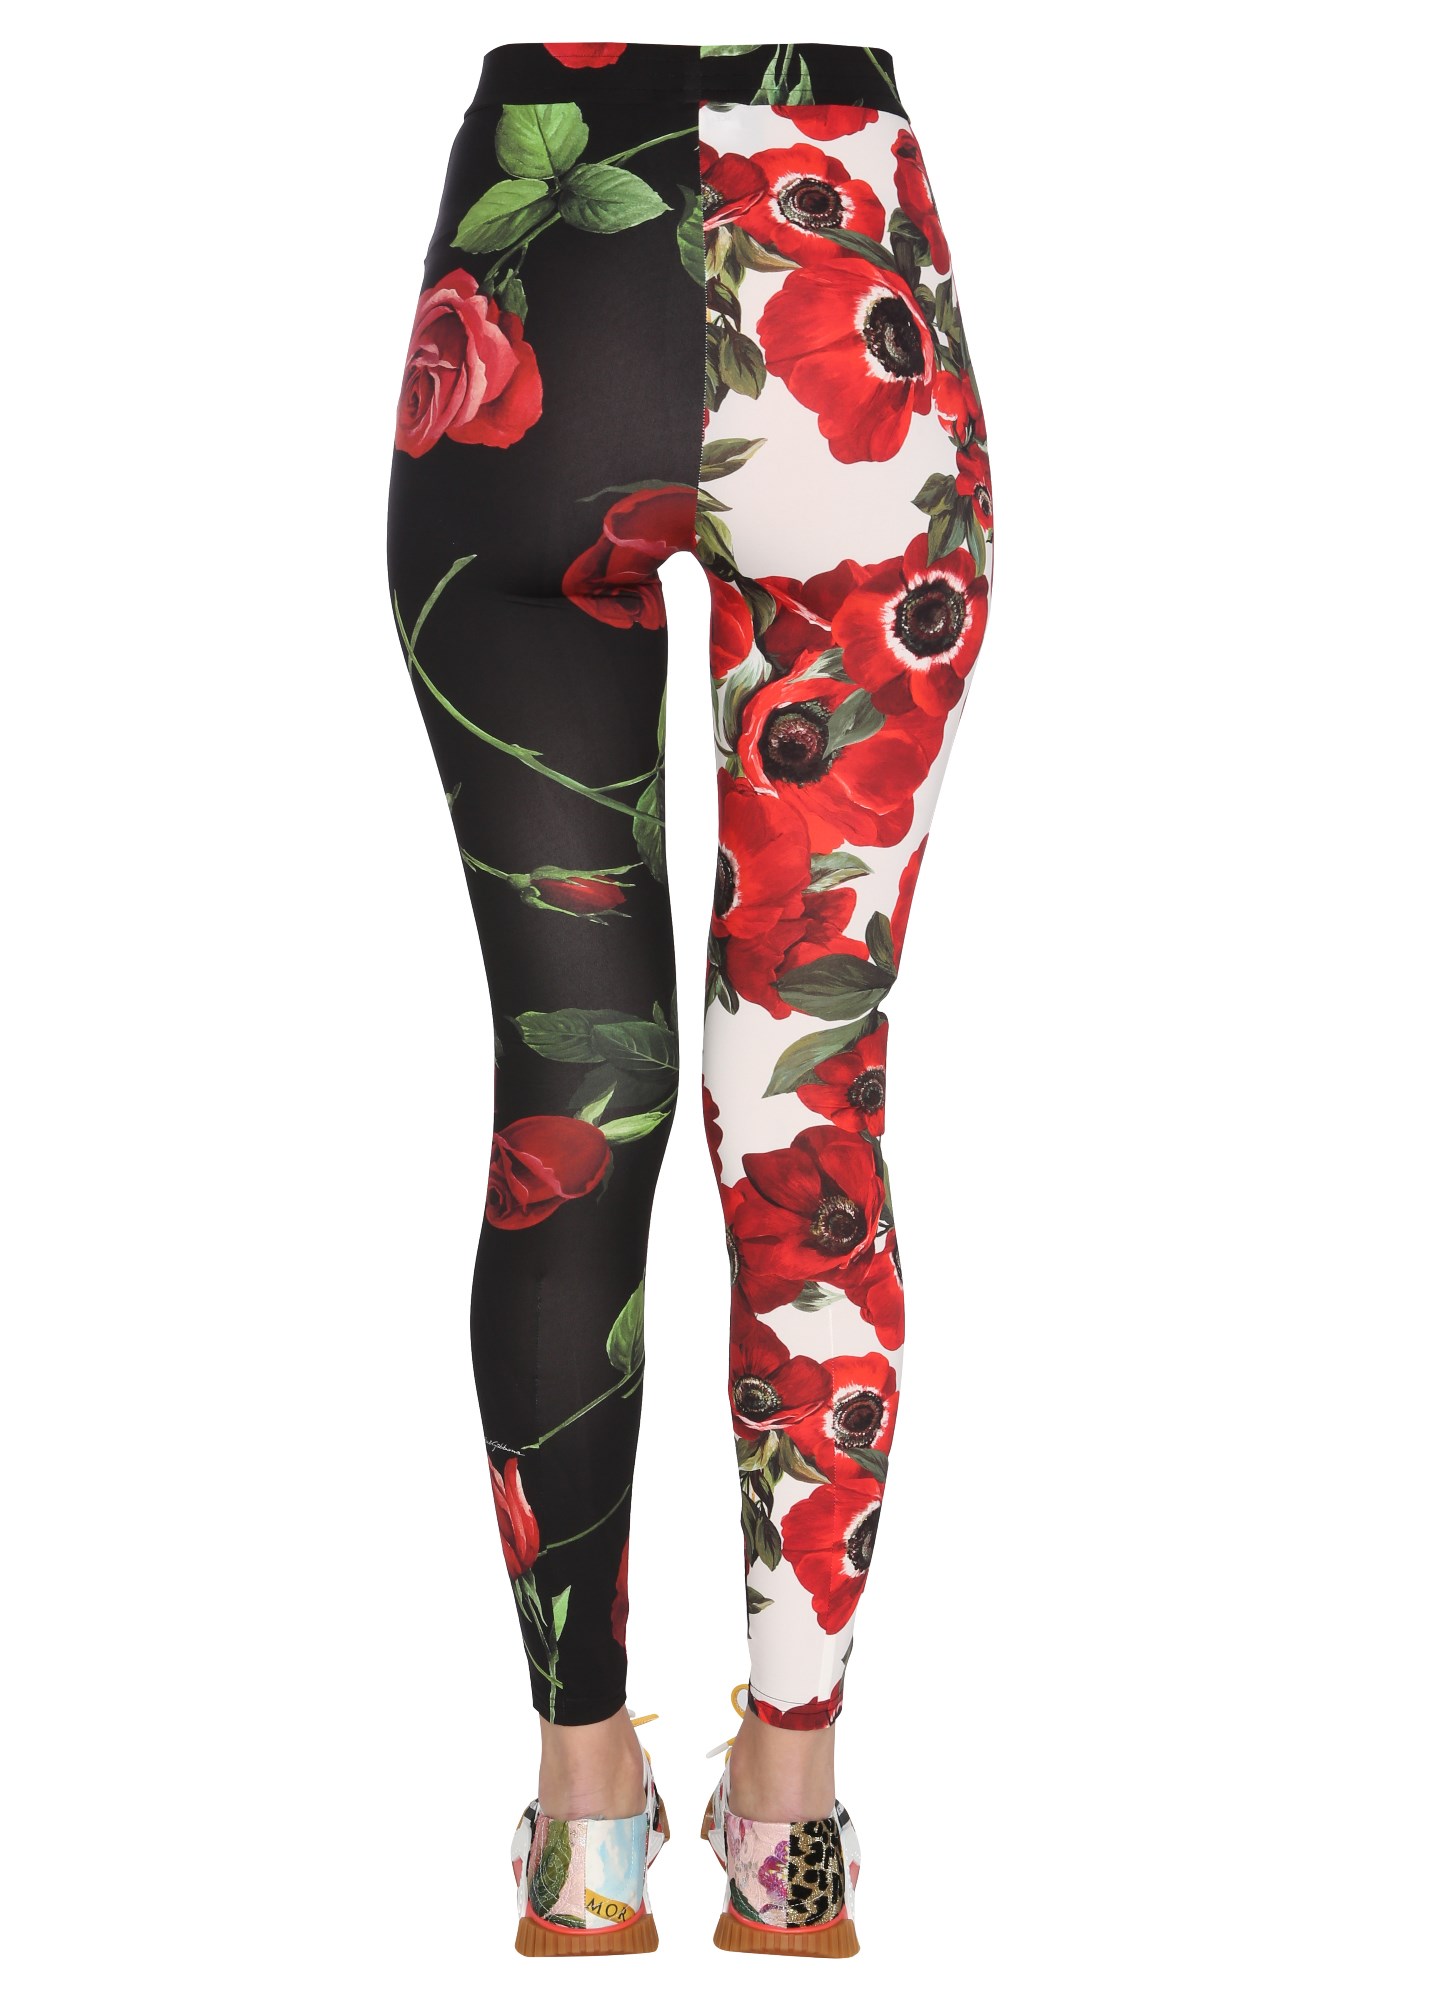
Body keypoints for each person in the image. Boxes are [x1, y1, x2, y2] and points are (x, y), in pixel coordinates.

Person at [385, 40, 993, 1957]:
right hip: (842, 252)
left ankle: (584, 1828)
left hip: (540, 285)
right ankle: (791, 1825)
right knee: (807, 1114)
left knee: (575, 1107)